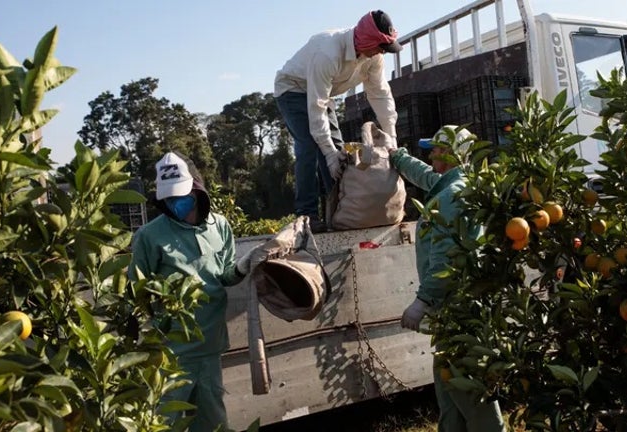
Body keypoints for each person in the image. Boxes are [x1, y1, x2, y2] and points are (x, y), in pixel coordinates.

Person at [389, 126, 505, 432]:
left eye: (437, 150)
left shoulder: (451, 198)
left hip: (458, 310)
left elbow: (446, 258)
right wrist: (397, 156)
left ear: (452, 155)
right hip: (449, 312)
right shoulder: (452, 185)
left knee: (469, 387)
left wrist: (422, 301)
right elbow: (426, 175)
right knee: (449, 391)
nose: (431, 154)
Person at [128, 151, 244, 431]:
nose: (174, 203)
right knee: (165, 423)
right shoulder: (150, 235)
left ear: (196, 190)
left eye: (180, 196)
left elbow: (224, 274)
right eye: (168, 199)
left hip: (210, 346)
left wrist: (242, 268)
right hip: (172, 351)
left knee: (213, 422)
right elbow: (136, 290)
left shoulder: (220, 227)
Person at [274, 10, 402, 232]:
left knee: (339, 152)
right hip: (293, 89)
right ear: (367, 40)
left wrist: (392, 137)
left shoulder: (374, 58)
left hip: (323, 94)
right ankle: (307, 215)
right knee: (310, 146)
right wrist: (328, 153)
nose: (382, 52)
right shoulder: (328, 53)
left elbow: (380, 94)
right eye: (380, 47)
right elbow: (316, 108)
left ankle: (341, 212)